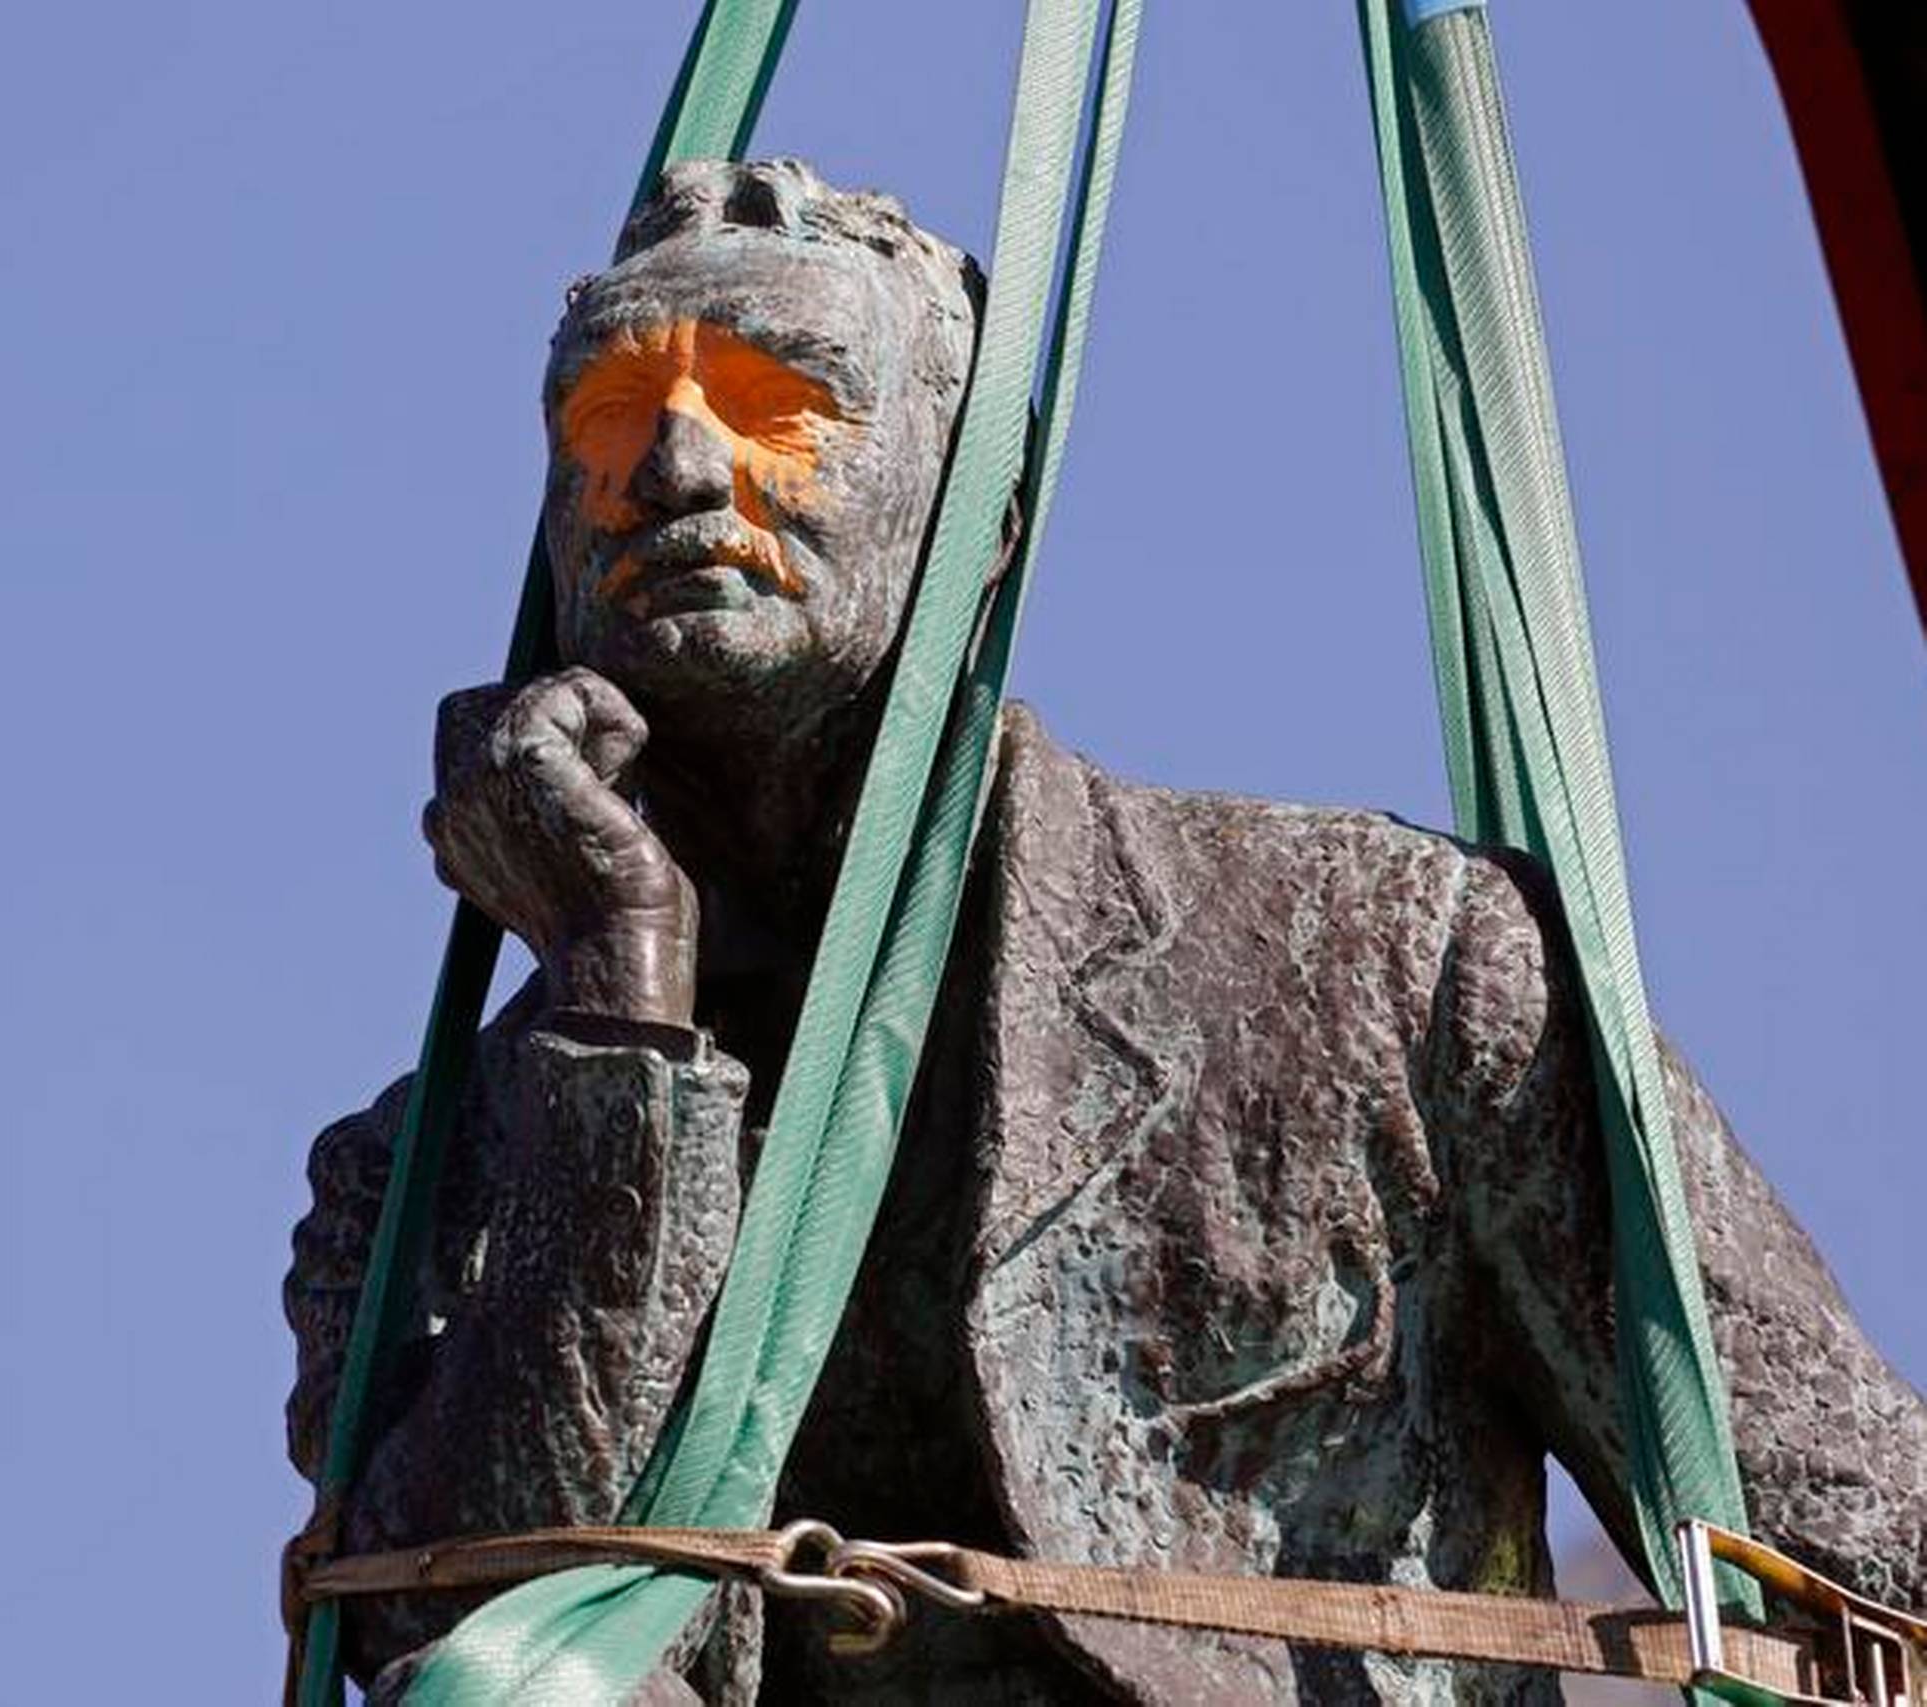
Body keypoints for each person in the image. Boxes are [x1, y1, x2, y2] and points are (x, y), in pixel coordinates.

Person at [284, 158, 1927, 1702]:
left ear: (980, 510)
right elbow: (465, 1637)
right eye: (610, 413)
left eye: (782, 399)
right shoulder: (430, 1174)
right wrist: (615, 1005)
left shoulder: (1387, 963)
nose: (679, 466)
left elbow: (1858, 1559)